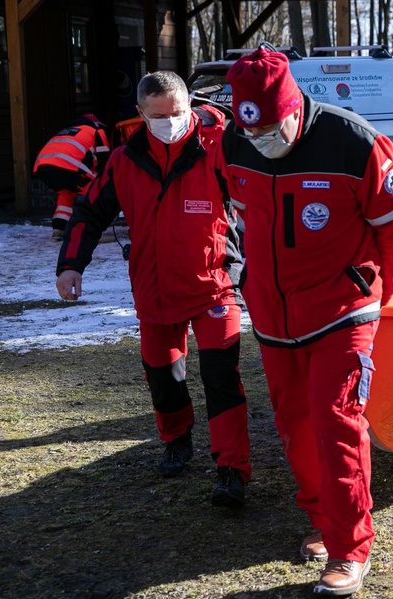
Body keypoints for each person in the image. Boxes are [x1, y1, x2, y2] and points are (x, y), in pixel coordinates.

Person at [222, 45, 393, 595]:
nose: (262, 143)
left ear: (294, 107)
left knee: (337, 421)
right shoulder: (236, 141)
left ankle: (351, 548)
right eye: (251, 133)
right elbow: (239, 216)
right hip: (273, 314)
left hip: (342, 308)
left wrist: (381, 289)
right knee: (294, 421)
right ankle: (322, 521)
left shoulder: (355, 143)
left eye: (272, 130)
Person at [55, 72, 251, 508]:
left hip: (213, 284)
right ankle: (177, 439)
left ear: (189, 106)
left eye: (177, 113)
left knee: (221, 376)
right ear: (141, 114)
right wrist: (70, 265)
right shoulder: (125, 161)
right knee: (163, 374)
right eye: (159, 115)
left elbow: (258, 205)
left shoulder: (217, 148)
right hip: (154, 288)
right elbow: (88, 212)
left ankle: (231, 470)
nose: (170, 122)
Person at [33, 114, 110, 239]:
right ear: (96, 124)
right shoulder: (97, 131)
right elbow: (105, 161)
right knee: (96, 189)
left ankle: (59, 229)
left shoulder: (65, 131)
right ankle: (93, 230)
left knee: (66, 193)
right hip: (68, 165)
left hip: (42, 167)